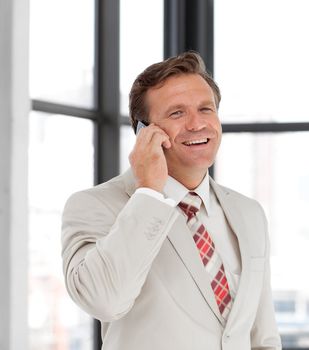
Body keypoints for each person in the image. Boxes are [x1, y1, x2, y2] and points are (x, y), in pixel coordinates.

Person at [61, 52, 281, 350]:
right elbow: (105, 301)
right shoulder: (95, 206)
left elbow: (263, 337)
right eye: (177, 113)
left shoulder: (248, 212)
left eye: (206, 109)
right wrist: (149, 192)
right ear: (143, 131)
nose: (196, 124)